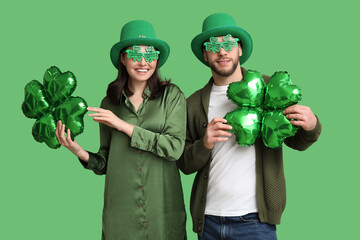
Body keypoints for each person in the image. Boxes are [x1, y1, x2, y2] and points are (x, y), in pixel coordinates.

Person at [177, 13, 322, 240]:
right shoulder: (193, 103)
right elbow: (184, 162)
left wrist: (312, 125)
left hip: (255, 221)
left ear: (240, 49)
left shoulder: (268, 88)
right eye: (214, 45)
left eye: (229, 43)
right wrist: (205, 143)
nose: (222, 51)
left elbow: (297, 140)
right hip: (209, 221)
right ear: (205, 54)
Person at [55, 20, 187, 240]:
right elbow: (107, 161)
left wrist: (123, 126)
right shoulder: (109, 104)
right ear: (123, 58)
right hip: (121, 218)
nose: (143, 61)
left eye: (150, 54)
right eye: (135, 54)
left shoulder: (172, 96)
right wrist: (78, 151)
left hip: (163, 215)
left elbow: (174, 148)